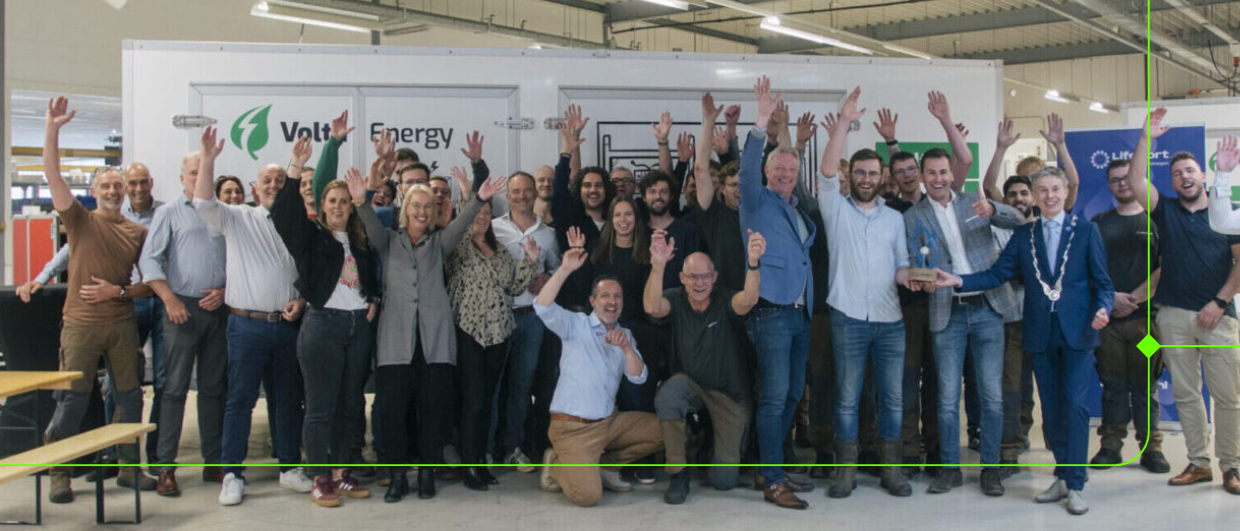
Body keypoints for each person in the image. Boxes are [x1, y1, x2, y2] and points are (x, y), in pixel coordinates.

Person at [934, 166, 1114, 515]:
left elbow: (1103, 284)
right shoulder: (1024, 235)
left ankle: (1076, 483)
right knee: (1052, 410)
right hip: (1040, 334)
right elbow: (997, 274)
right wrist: (958, 280)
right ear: (1034, 196)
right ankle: (1062, 475)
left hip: (1078, 333)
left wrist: (1103, 308)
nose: (1049, 195)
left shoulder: (1086, 231)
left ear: (1065, 192)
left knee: (1075, 407)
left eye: (1055, 189)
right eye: (1042, 190)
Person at [357, 158, 505, 501]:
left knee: (433, 409)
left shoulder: (439, 243)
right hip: (395, 341)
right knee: (393, 410)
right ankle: (398, 477)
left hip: (434, 341)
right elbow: (366, 217)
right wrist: (362, 197)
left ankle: (426, 474)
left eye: (428, 207)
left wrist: (480, 198)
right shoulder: (387, 241)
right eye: (416, 206)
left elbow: (464, 221)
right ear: (406, 209)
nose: (422, 212)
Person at [40, 97, 156, 503]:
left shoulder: (138, 233)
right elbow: (52, 174)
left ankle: (129, 469)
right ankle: (60, 474)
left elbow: (151, 284)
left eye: (117, 186)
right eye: (105, 186)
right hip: (80, 325)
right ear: (93, 192)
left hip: (121, 324)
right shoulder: (79, 220)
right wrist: (52, 130)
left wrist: (117, 291)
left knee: (130, 398)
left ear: (125, 193)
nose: (112, 191)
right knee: (72, 401)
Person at [193, 126, 309, 507]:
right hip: (246, 327)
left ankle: (289, 468)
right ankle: (231, 474)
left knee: (288, 400)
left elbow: (310, 274)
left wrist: (302, 300)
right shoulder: (239, 217)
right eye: (267, 181)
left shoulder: (298, 225)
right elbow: (203, 202)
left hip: (286, 327)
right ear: (255, 189)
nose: (274, 185)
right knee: (240, 401)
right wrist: (208, 159)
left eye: (280, 180)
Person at [902, 146, 1024, 497]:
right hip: (947, 311)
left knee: (991, 396)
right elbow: (913, 258)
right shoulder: (913, 216)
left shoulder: (974, 202)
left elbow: (1019, 221)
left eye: (943, 172)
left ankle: (991, 470)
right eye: (931, 173)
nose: (938, 178)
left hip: (988, 307)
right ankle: (949, 470)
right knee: (946, 397)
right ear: (922, 177)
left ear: (951, 174)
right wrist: (921, 279)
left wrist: (995, 209)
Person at [272, 112, 380, 507]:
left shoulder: (359, 241)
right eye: (331, 201)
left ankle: (341, 473)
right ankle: (320, 477)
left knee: (350, 405)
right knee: (320, 407)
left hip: (357, 328)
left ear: (351, 207)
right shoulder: (310, 237)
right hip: (323, 328)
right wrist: (295, 166)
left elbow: (372, 275)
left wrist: (373, 298)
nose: (338, 206)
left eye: (343, 201)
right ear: (322, 205)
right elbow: (282, 214)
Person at [1131, 108, 1240, 495]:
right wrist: (1146, 138)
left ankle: (1232, 466)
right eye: (1177, 173)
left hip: (1219, 316)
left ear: (1203, 175)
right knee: (1187, 394)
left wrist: (1219, 302)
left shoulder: (1225, 214)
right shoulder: (1165, 211)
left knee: (1228, 397)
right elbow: (1135, 180)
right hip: (1174, 316)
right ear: (1172, 182)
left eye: (1190, 170)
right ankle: (1198, 463)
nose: (1184, 176)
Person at [816, 87, 916, 500]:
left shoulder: (894, 219)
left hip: (891, 320)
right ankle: (846, 472)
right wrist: (842, 123)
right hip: (848, 316)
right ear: (852, 176)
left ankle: (891, 469)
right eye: (860, 173)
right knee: (846, 398)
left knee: (892, 398)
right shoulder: (835, 209)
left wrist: (913, 277)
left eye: (874, 174)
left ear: (882, 178)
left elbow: (902, 263)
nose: (867, 179)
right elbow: (826, 172)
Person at [738, 76, 817, 509]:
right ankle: (771, 481)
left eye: (792, 170)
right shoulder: (755, 200)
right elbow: (746, 168)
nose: (786, 175)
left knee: (789, 395)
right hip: (770, 311)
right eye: (779, 169)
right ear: (767, 173)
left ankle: (770, 468)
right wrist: (760, 122)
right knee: (774, 396)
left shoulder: (795, 208)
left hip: (800, 313)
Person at [535, 247, 662, 508]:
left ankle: (604, 466)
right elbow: (542, 307)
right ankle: (556, 463)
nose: (612, 302)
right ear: (593, 301)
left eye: (617, 296)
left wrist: (626, 349)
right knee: (588, 497)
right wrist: (565, 269)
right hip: (572, 427)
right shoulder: (576, 324)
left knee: (667, 431)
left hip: (609, 423)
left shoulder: (626, 334)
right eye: (605, 296)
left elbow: (638, 377)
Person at [646, 229, 765, 504]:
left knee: (724, 481)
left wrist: (753, 263)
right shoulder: (676, 298)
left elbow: (748, 300)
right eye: (692, 277)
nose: (699, 283)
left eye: (705, 277)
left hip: (729, 397)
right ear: (682, 278)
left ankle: (713, 445)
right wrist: (658, 265)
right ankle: (678, 474)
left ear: (714, 277)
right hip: (691, 385)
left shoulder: (724, 299)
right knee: (668, 395)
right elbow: (652, 307)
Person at [141, 148, 229, 497]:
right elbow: (149, 262)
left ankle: (214, 462)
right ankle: (166, 467)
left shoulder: (221, 212)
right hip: (182, 310)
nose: (198, 177)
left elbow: (237, 260)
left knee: (213, 390)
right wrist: (170, 300)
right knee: (174, 390)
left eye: (203, 171)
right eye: (193, 172)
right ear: (182, 178)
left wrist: (225, 290)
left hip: (218, 309)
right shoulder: (169, 213)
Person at [447, 200, 539, 490]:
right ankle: (469, 464)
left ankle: (480, 461)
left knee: (488, 400)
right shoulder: (459, 245)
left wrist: (530, 261)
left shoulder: (499, 249)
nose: (482, 217)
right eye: (477, 212)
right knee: (473, 400)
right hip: (468, 331)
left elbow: (514, 287)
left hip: (499, 332)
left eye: (487, 213)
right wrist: (468, 197)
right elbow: (457, 228)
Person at [1089, 158, 1168, 473]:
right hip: (1108, 325)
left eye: (1126, 177)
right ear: (1109, 185)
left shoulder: (1156, 221)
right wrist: (1112, 299)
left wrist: (1133, 298)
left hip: (1146, 323)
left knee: (1146, 384)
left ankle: (1152, 449)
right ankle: (1110, 446)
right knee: (1112, 384)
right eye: (1115, 179)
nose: (1122, 183)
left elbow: (1165, 266)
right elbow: (1089, 267)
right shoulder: (1098, 223)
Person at [492, 171, 561, 473]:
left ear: (535, 194)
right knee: (493, 386)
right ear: (507, 196)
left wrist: (547, 278)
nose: (521, 196)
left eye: (526, 191)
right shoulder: (492, 228)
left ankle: (513, 448)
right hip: (497, 318)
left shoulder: (549, 234)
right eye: (515, 191)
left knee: (521, 387)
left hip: (532, 319)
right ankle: (487, 450)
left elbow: (558, 268)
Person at [993, 175, 1038, 473]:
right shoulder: (995, 230)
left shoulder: (1043, 228)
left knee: (1041, 383)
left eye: (1024, 193)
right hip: (1009, 319)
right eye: (1012, 194)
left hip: (1042, 320)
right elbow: (999, 269)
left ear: (1033, 197)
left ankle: (1059, 453)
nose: (1018, 199)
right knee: (1011, 384)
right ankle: (1011, 445)